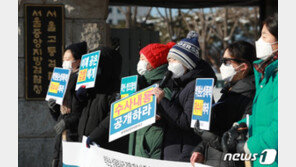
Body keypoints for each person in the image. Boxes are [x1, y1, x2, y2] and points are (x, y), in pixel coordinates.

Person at [222, 14, 278, 167]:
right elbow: (263, 116)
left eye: (264, 36)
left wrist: (250, 146)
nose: (259, 41)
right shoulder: (267, 75)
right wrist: (241, 124)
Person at [152, 31, 217, 162]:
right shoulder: (180, 84)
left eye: (174, 60)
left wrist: (162, 101)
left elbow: (189, 123)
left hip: (186, 152)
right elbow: (175, 117)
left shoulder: (198, 86)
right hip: (174, 149)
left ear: (187, 63)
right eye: (169, 60)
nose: (170, 64)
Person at [190, 41, 257, 167]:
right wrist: (200, 149)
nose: (222, 66)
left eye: (227, 62)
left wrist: (204, 133)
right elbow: (218, 128)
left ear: (243, 66)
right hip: (214, 160)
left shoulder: (250, 96)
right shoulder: (230, 90)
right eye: (222, 60)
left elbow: (235, 142)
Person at [72, 46, 129, 153]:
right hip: (85, 145)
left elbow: (114, 117)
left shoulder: (118, 90)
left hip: (106, 148)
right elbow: (76, 114)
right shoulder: (90, 87)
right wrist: (78, 99)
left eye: (97, 64)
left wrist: (95, 136)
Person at [128, 42, 175, 159]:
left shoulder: (164, 86)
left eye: (143, 59)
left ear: (153, 63)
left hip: (151, 146)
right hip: (141, 144)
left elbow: (169, 112)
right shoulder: (143, 83)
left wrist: (160, 114)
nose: (140, 62)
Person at [47, 41, 87, 167]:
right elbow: (58, 115)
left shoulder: (83, 80)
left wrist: (67, 122)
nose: (65, 62)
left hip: (75, 134)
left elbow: (82, 111)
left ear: (79, 61)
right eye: (64, 59)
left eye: (68, 59)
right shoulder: (63, 78)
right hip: (62, 136)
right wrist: (53, 107)